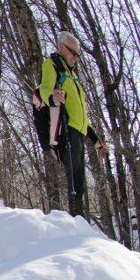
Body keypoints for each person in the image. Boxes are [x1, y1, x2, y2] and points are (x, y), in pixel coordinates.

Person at [36, 31, 110, 217]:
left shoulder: (72, 75)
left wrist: (97, 141)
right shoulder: (52, 64)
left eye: (78, 55)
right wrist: (52, 96)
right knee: (75, 179)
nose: (76, 58)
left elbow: (82, 116)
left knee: (80, 180)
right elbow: (44, 88)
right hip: (66, 129)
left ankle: (78, 219)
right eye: (73, 53)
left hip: (78, 130)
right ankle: (75, 219)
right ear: (62, 47)